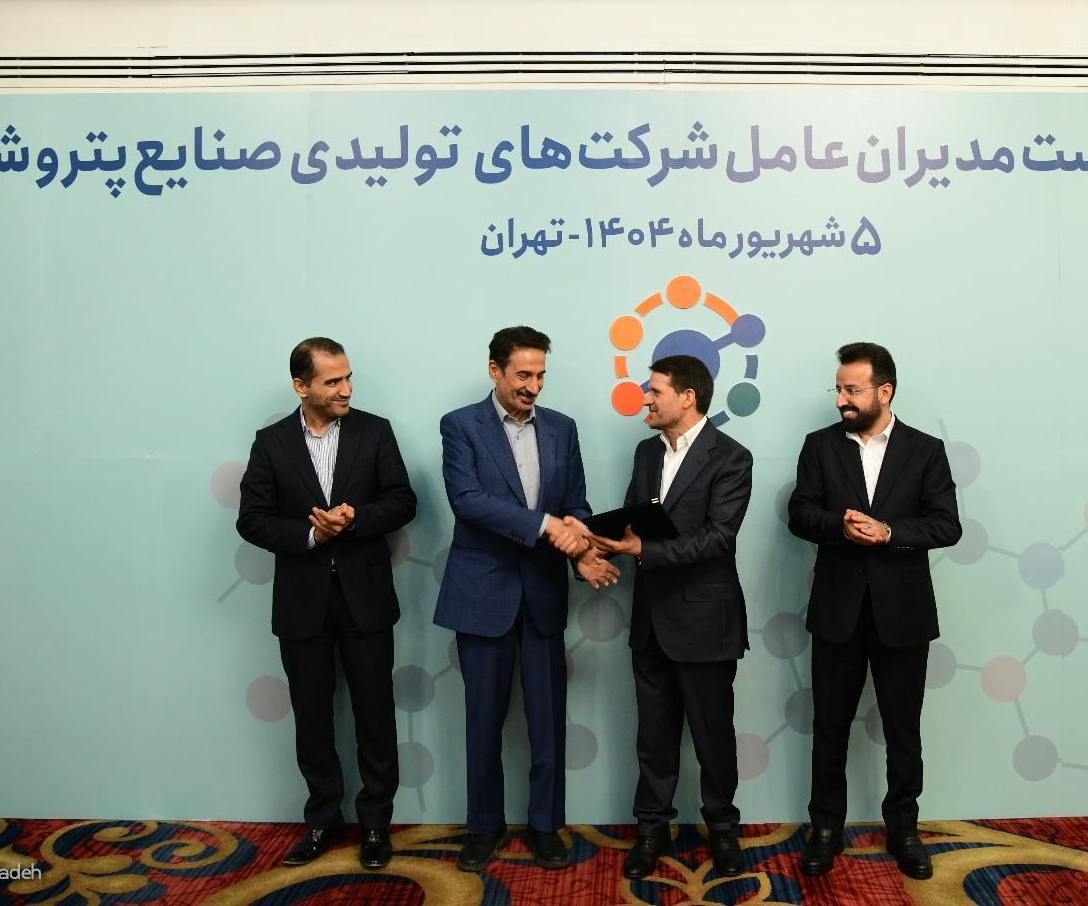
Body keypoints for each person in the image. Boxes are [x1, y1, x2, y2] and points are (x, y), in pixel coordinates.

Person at [434, 326, 617, 871]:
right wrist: (546, 526)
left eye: (540, 375)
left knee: (547, 721)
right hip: (481, 592)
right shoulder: (460, 425)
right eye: (522, 375)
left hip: (542, 592)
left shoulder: (562, 428)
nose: (533, 386)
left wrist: (581, 550)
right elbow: (468, 501)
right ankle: (483, 827)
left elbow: (576, 505)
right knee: (482, 721)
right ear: (495, 370)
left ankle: (545, 825)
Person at [237, 337, 418, 870]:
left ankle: (376, 825)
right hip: (302, 604)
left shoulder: (374, 431)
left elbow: (403, 500)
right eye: (332, 381)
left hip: (366, 600)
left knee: (375, 716)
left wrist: (357, 518)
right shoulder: (270, 443)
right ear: (302, 386)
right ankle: (322, 820)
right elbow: (251, 519)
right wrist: (311, 534)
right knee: (312, 719)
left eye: (348, 377)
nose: (346, 389)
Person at [786, 342, 962, 880]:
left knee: (903, 731)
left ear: (884, 391)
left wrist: (888, 532)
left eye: (852, 390)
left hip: (903, 615)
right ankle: (825, 829)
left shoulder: (926, 450)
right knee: (829, 728)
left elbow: (947, 525)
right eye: (839, 389)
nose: (841, 399)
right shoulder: (819, 446)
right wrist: (839, 525)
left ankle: (904, 830)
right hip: (836, 611)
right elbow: (799, 513)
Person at [590, 355, 752, 880]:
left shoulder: (732, 457)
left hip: (706, 623)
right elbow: (632, 523)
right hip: (650, 622)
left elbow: (718, 538)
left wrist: (643, 551)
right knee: (653, 737)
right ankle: (651, 830)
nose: (646, 399)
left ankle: (722, 830)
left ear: (687, 397)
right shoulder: (645, 452)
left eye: (655, 390)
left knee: (713, 736)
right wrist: (593, 547)